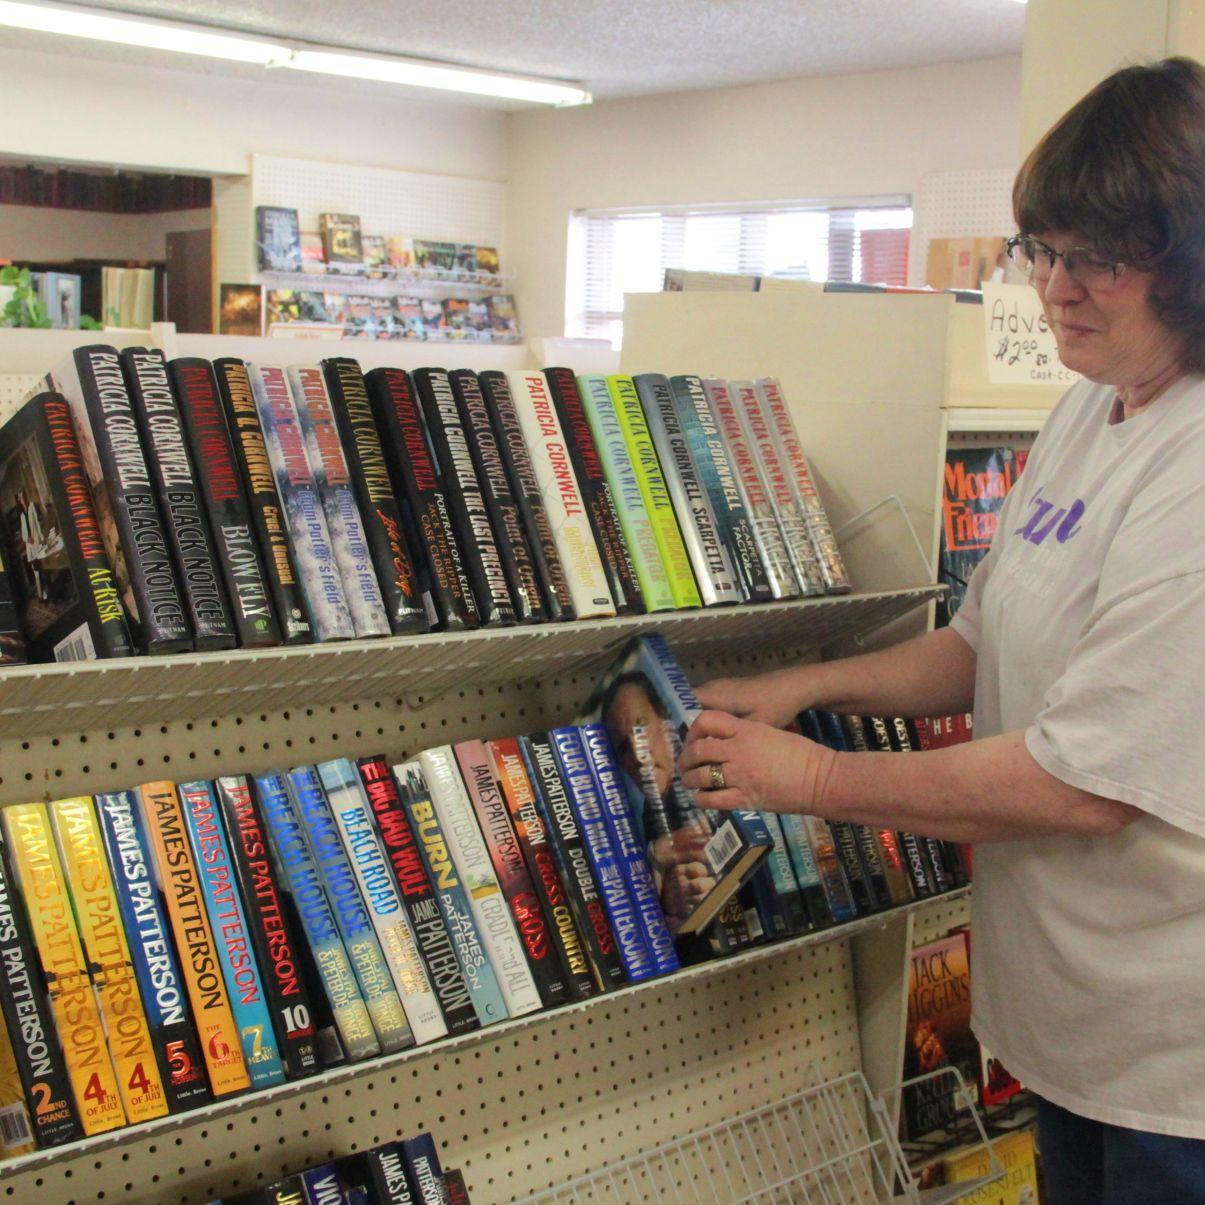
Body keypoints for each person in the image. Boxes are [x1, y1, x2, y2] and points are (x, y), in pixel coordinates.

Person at [678, 58, 1205, 1205]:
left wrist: (814, 776)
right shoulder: (1088, 407)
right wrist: (804, 684)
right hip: (1072, 1024)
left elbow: (1080, 783)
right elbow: (975, 642)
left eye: (1098, 258)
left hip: (1175, 1060)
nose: (1054, 288)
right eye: (1042, 249)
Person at [600, 671, 716, 930]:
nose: (638, 755)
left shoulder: (707, 767)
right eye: (624, 747)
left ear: (664, 719)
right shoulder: (650, 815)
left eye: (640, 728)